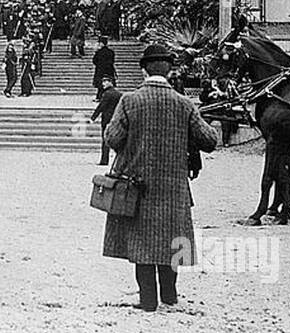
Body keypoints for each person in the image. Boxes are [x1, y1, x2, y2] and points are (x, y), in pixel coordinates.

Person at [101, 44, 220, 312]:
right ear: (170, 70)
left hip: (137, 186)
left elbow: (113, 138)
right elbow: (209, 140)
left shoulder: (129, 101)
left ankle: (148, 299)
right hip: (175, 188)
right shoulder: (184, 103)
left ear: (143, 69)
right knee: (171, 238)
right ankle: (169, 295)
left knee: (142, 243)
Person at [89, 77, 123, 166]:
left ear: (110, 82)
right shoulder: (119, 94)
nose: (103, 84)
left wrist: (93, 118)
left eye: (105, 82)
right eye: (103, 82)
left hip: (106, 119)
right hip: (116, 120)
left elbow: (101, 106)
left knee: (105, 140)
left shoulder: (107, 94)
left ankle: (104, 160)